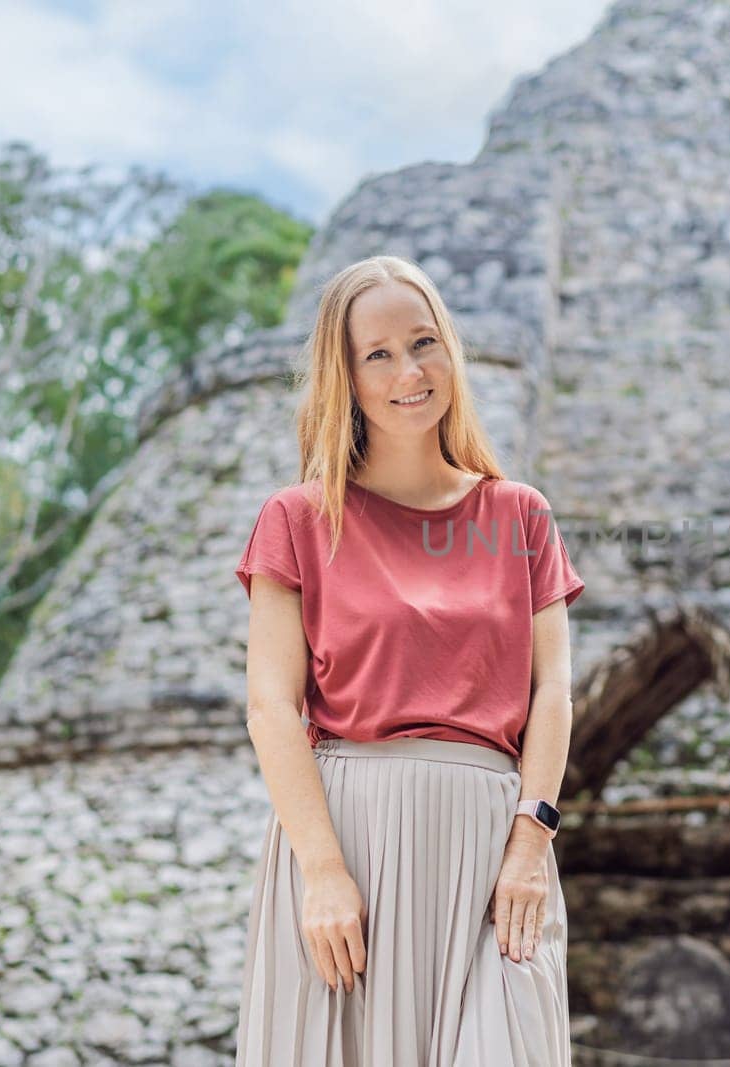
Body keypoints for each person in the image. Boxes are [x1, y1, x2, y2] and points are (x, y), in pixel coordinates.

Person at [232, 254, 584, 1065]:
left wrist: (532, 844)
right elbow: (272, 708)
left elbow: (554, 689)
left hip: (494, 848)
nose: (409, 371)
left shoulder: (519, 514)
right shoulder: (296, 519)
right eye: (378, 354)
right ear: (344, 376)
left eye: (424, 343)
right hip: (347, 839)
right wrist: (321, 871)